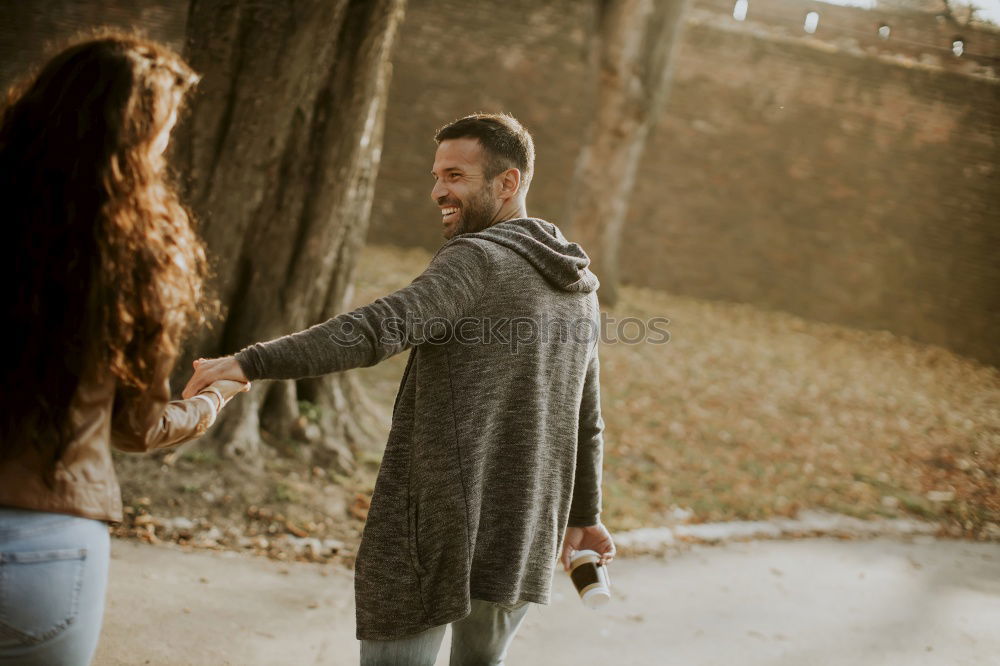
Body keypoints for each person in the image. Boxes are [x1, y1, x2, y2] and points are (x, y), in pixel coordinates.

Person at [184, 112, 615, 664]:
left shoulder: (478, 259)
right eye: (437, 176)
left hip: (436, 523)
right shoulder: (579, 284)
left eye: (456, 176)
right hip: (525, 524)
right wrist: (585, 513)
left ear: (508, 183)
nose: (438, 191)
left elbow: (376, 328)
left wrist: (250, 362)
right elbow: (587, 417)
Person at [0, 32, 249, 666]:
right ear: (134, 140)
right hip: (45, 547)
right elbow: (135, 427)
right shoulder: (136, 253)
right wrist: (209, 404)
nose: (166, 147)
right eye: (161, 132)